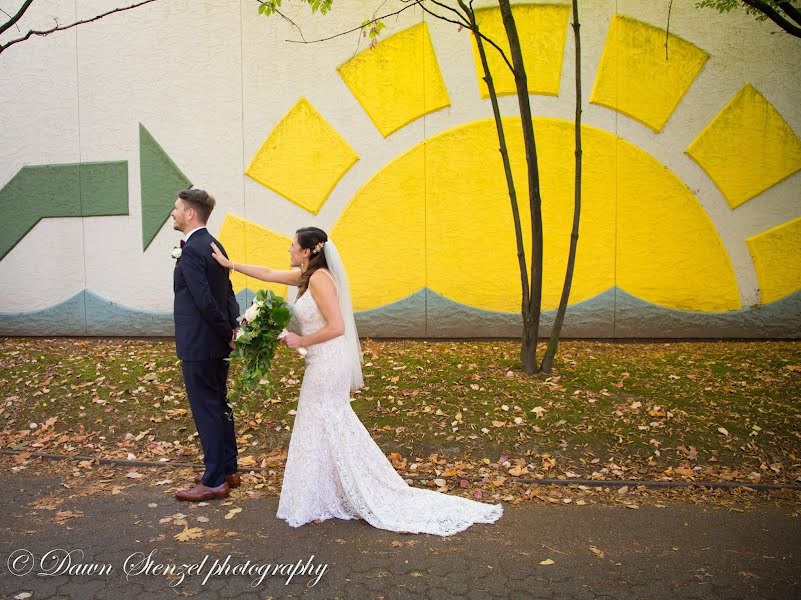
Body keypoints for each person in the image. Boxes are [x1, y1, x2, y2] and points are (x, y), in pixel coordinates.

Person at [210, 227, 502, 535]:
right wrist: (231, 265)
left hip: (329, 361)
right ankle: (323, 495)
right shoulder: (307, 277)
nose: (289, 250)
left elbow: (337, 327)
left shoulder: (321, 279)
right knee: (322, 423)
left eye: (293, 246)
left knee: (322, 420)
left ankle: (342, 493)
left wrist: (301, 339)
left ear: (309, 251)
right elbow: (268, 273)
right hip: (320, 360)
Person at [171, 188, 241, 502]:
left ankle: (214, 480)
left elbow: (204, 300)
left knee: (207, 410)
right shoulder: (214, 244)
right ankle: (228, 469)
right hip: (216, 343)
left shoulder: (192, 250)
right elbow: (228, 293)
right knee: (219, 405)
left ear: (189, 213)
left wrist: (227, 329)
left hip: (200, 344)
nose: (172, 214)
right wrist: (233, 326)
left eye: (176, 209)